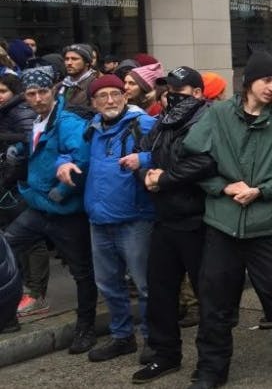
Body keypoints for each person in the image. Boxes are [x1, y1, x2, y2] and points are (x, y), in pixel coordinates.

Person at [182, 51, 272, 387]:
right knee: (215, 300)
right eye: (266, 80)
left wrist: (264, 190)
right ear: (248, 82)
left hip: (267, 223)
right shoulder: (217, 116)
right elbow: (193, 160)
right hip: (222, 224)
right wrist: (223, 188)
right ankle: (211, 368)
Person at [58, 75, 157, 363]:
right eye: (103, 96)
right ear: (93, 103)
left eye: (116, 94)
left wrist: (145, 160)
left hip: (136, 220)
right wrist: (62, 163)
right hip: (99, 220)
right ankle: (122, 337)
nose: (110, 100)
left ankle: (154, 339)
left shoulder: (144, 125)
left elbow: (168, 151)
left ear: (126, 97)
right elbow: (68, 154)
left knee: (145, 285)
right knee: (109, 286)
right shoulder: (90, 131)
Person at [3, 66, 98, 354]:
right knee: (6, 248)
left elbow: (80, 158)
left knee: (82, 273)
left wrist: (62, 192)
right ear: (25, 96)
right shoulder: (38, 120)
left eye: (43, 91)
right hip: (37, 206)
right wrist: (22, 152)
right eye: (31, 94)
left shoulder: (67, 122)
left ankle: (86, 328)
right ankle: (7, 315)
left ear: (54, 90)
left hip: (65, 212)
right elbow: (42, 151)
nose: (38, 98)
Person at [130, 67, 215, 383]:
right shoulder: (163, 122)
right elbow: (143, 155)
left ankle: (209, 361)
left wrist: (164, 179)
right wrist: (148, 177)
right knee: (161, 293)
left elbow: (206, 161)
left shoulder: (208, 120)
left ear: (197, 92)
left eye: (179, 90)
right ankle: (165, 355)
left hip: (198, 221)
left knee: (207, 297)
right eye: (169, 89)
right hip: (165, 219)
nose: (172, 95)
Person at [0, 73, 50, 319]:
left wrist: (10, 175)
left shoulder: (20, 111)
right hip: (11, 186)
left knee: (32, 242)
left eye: (2, 91)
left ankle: (36, 294)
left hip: (20, 187)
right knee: (12, 241)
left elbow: (30, 145)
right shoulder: (7, 111)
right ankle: (21, 292)